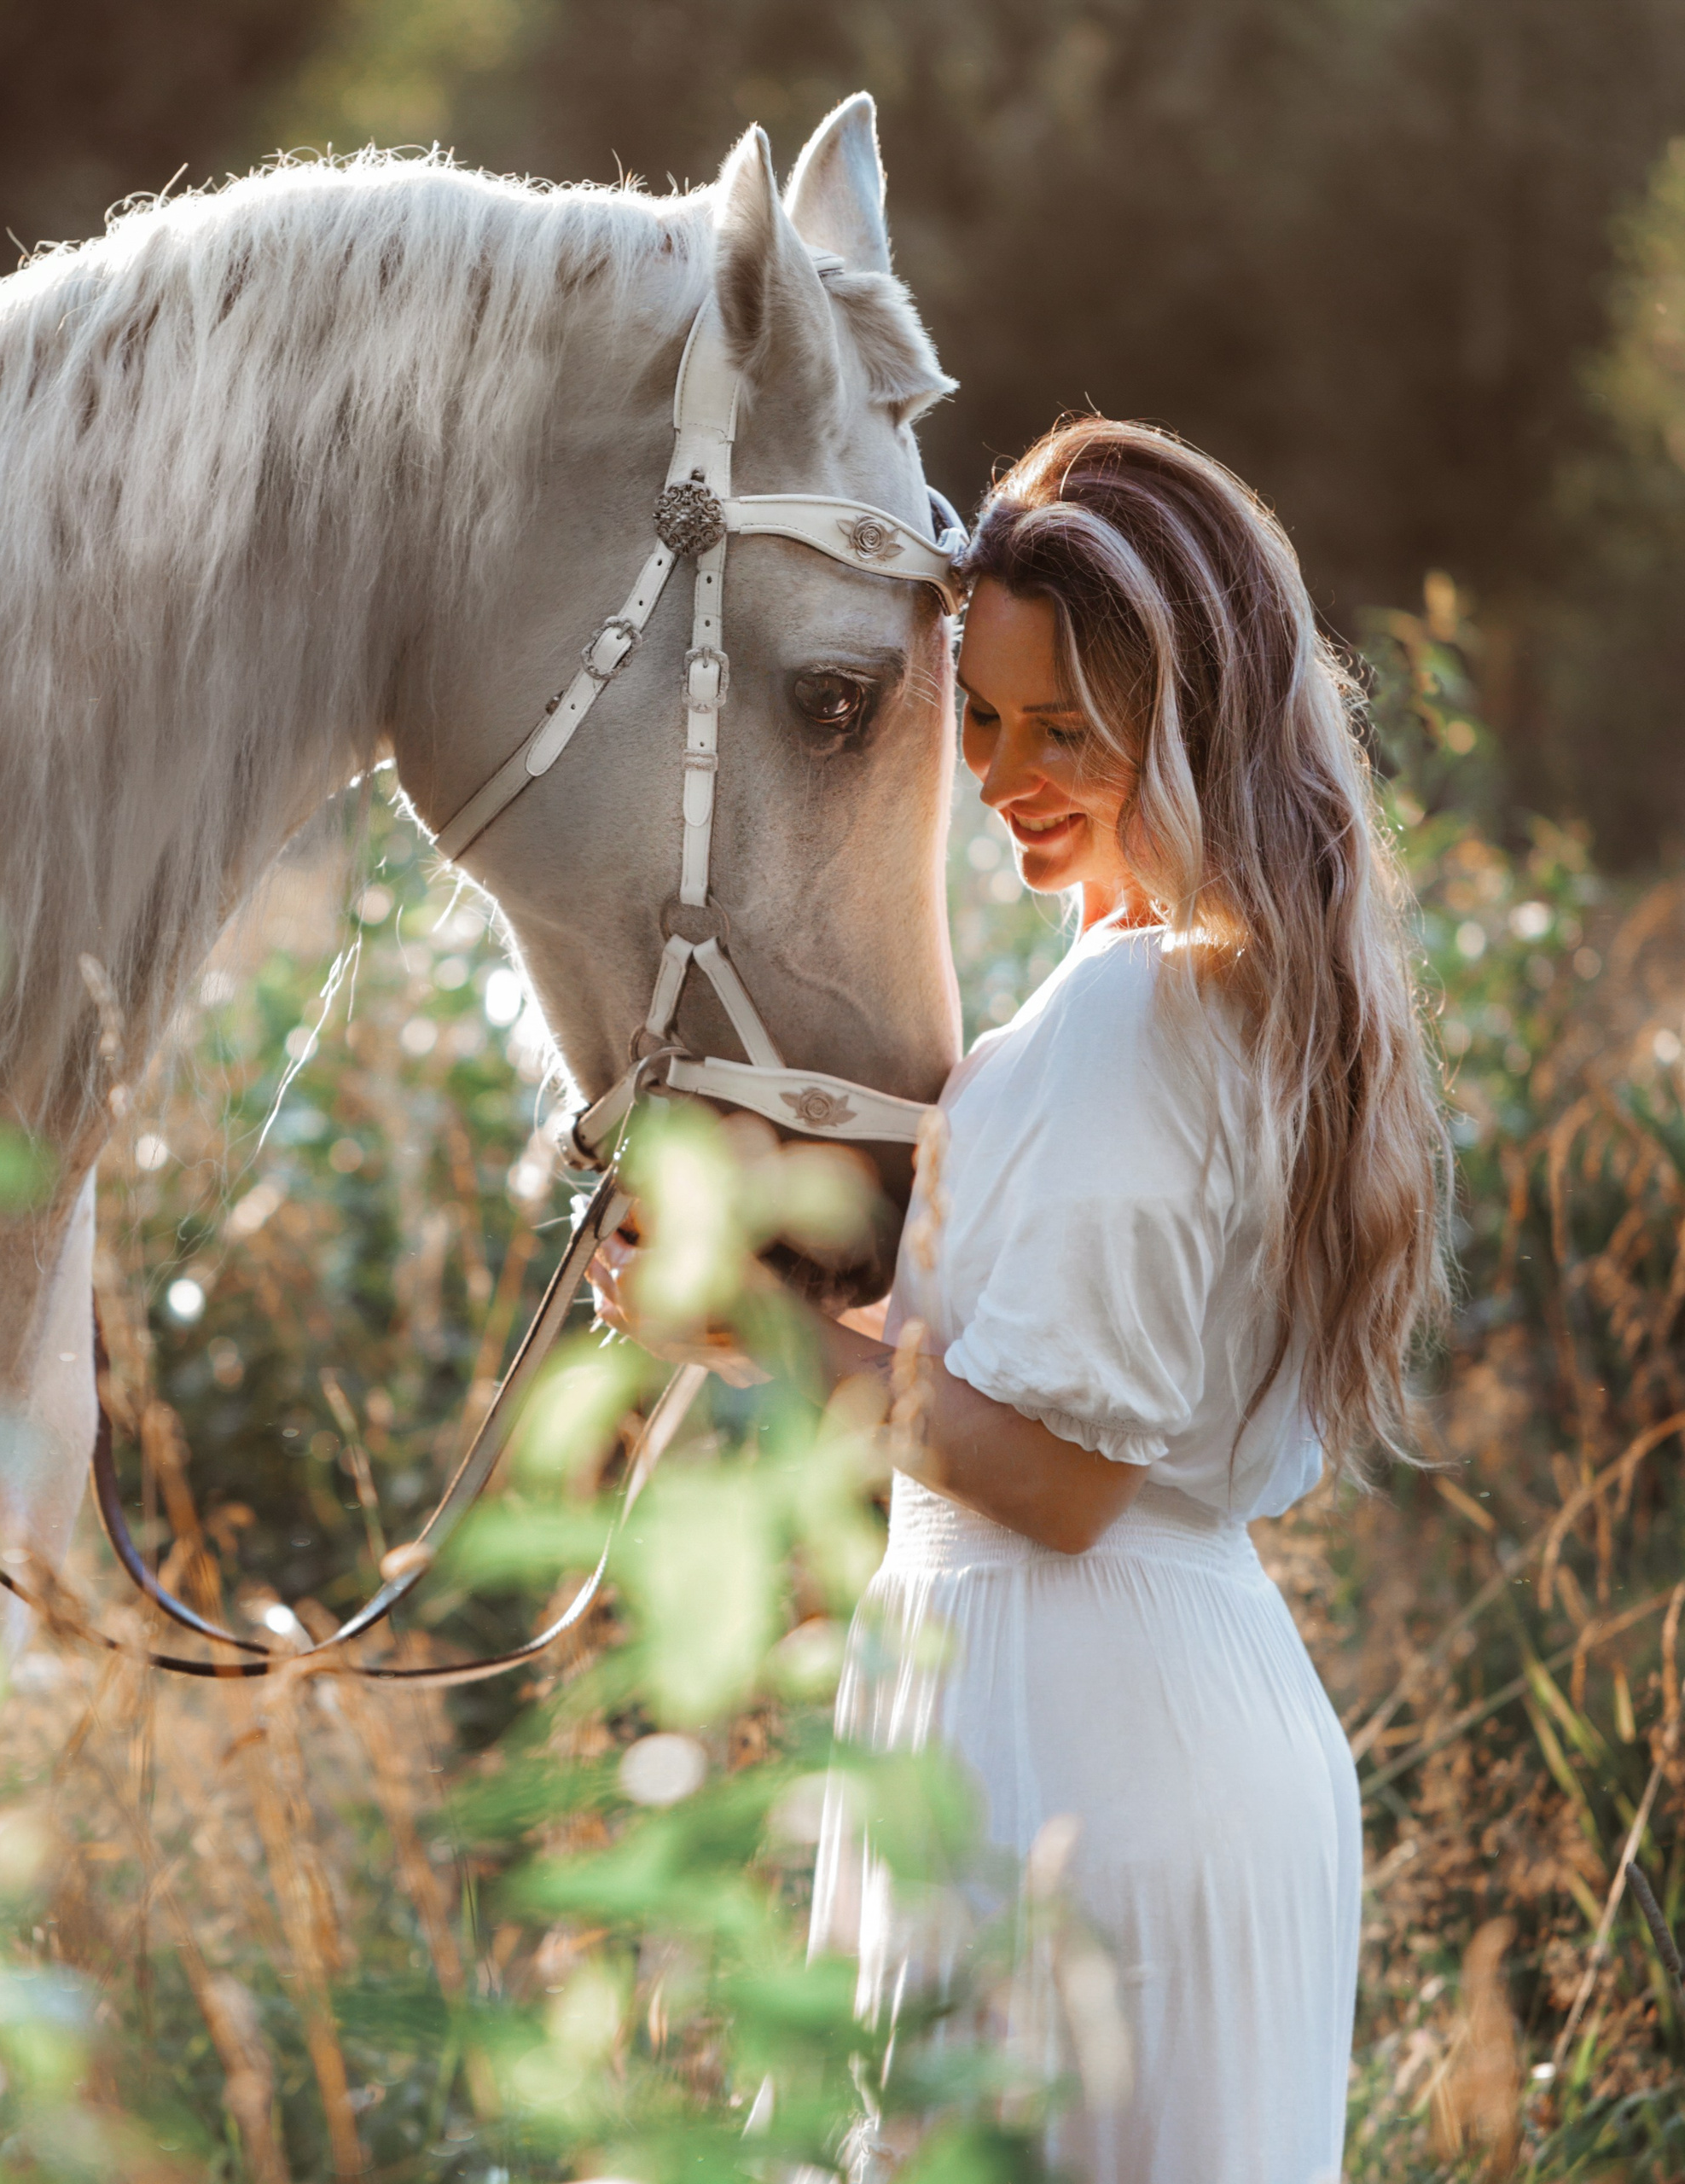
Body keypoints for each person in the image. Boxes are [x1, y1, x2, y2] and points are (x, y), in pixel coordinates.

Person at [598, 417, 1450, 2183]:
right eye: (979, 714)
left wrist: (730, 1321)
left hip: (1079, 1759)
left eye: (1068, 726)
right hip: (1161, 1725)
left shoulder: (1129, 1013)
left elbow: (1052, 1482)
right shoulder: (1239, 992)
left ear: (1192, 711)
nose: (1004, 770)